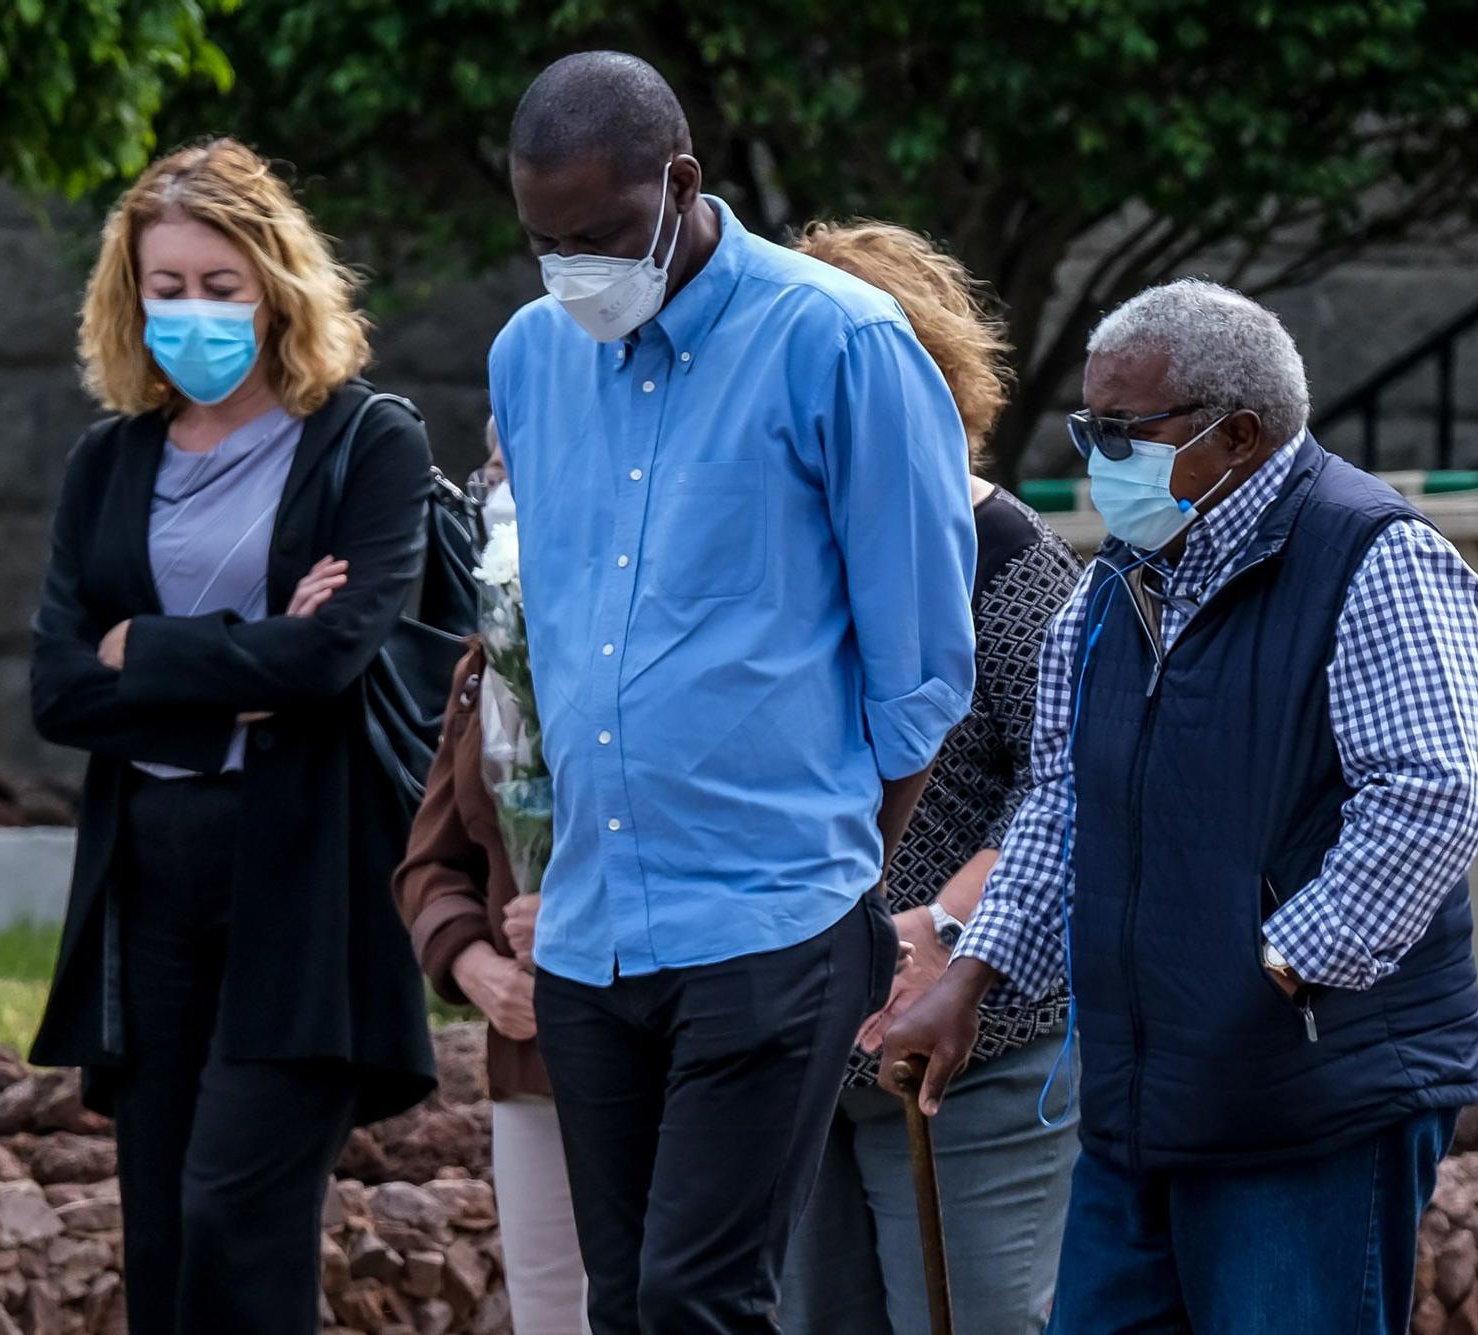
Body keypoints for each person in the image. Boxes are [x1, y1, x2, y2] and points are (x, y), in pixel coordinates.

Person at [882, 277, 1478, 1335]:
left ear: (1239, 434)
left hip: (1308, 1106)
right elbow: (1067, 805)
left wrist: (1275, 965)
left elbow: (1430, 798)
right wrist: (972, 974)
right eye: (1088, 424)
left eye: (1124, 429)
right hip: (1145, 1102)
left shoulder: (1370, 557)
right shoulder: (1118, 581)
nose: (1095, 455)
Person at [488, 52, 977, 1334]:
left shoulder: (841, 343)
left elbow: (921, 664)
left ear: (682, 184)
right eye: (544, 241)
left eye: (597, 235)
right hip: (594, 932)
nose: (571, 269)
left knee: (700, 1300)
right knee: (628, 1307)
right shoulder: (530, 357)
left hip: (773, 915)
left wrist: (833, 872)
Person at [26, 138, 438, 1335]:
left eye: (221, 285)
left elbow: (328, 660)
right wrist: (233, 658)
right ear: (129, 294)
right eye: (168, 286)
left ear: (275, 286)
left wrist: (141, 649)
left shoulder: (369, 444)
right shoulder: (108, 463)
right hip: (146, 868)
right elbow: (56, 690)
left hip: (302, 875)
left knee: (233, 1219)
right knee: (157, 1233)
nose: (192, 311)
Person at [779, 221, 1080, 1334]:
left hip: (976, 1056)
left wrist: (941, 933)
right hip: (796, 1048)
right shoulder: (771, 552)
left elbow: (1071, 779)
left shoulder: (1003, 556)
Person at [391, 434, 589, 1334]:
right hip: (528, 1047)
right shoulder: (484, 665)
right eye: (493, 468)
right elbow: (431, 862)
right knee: (550, 1308)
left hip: (658, 1037)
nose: (500, 488)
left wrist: (584, 914)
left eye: (522, 463)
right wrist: (475, 966)